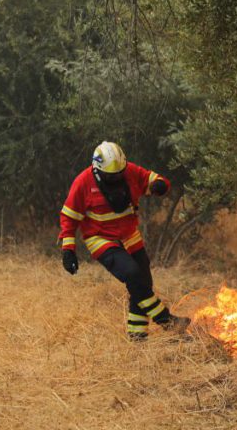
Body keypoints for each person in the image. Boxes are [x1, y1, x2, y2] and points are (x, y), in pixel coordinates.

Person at [58, 141, 190, 340]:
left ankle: (137, 335)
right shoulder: (83, 182)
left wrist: (159, 185)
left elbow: (153, 178)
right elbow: (69, 217)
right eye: (111, 176)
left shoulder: (129, 170)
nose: (118, 177)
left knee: (142, 282)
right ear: (97, 169)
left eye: (120, 173)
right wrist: (68, 250)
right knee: (131, 273)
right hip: (99, 237)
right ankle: (167, 321)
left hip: (129, 235)